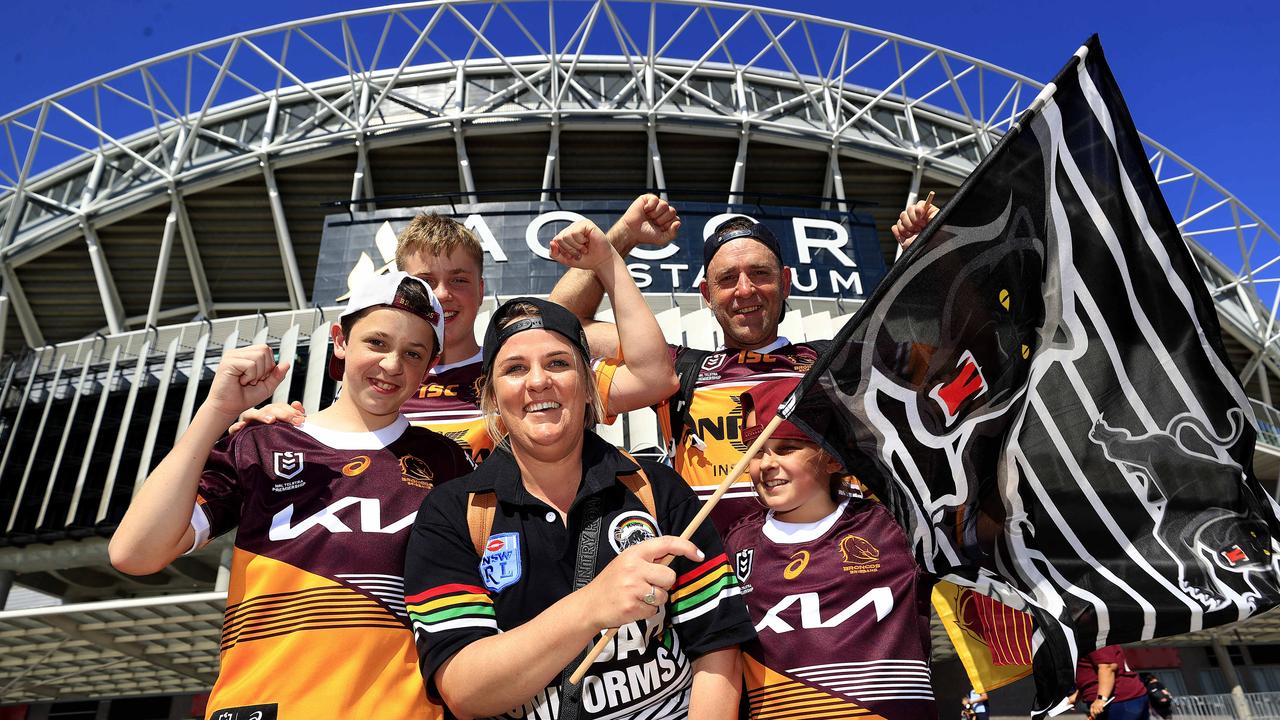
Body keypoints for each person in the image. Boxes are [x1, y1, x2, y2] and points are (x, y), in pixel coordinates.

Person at [402, 237, 754, 720]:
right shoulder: (453, 512)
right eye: (515, 368)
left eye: (559, 363)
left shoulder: (654, 488)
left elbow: (716, 649)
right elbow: (465, 691)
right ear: (491, 397)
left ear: (590, 387)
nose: (538, 382)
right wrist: (592, 605)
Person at [108, 272, 472, 719]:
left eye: (413, 353)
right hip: (261, 705)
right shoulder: (262, 443)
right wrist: (218, 411)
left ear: (430, 365)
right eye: (376, 342)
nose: (393, 365)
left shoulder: (449, 465)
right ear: (340, 340)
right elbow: (135, 553)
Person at [550, 199, 937, 534]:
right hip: (720, 600)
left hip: (838, 589)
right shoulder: (680, 371)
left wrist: (934, 251)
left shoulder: (837, 362)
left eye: (760, 274)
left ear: (785, 283)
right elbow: (557, 323)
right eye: (727, 279)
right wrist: (622, 236)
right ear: (707, 295)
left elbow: (943, 354)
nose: (745, 290)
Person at [237, 202, 679, 464]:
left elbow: (651, 377)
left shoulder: (518, 371)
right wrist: (276, 429)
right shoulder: (373, 382)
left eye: (460, 280)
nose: (443, 295)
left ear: (482, 288)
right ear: (401, 286)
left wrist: (613, 247)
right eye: (426, 281)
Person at [721, 377, 937, 719]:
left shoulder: (895, 528)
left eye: (786, 448)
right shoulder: (735, 544)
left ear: (833, 459)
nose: (766, 464)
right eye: (756, 450)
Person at [1076, 645, 1150, 719]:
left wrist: (1101, 699)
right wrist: (1078, 694)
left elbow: (1108, 667)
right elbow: (1091, 672)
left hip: (1119, 700)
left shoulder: (1096, 641)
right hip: (1121, 700)